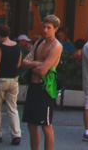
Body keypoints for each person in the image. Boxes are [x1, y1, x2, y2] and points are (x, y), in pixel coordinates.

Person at [20, 15, 63, 150]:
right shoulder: (39, 43)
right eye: (44, 27)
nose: (45, 30)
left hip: (44, 89)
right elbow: (24, 63)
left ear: (55, 29)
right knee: (31, 124)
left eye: (48, 28)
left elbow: (43, 71)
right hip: (33, 87)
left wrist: (35, 65)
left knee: (46, 125)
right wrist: (37, 63)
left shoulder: (56, 46)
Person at [0, 26, 21, 145]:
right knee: (12, 108)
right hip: (13, 80)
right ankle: (16, 134)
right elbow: (18, 64)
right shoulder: (17, 46)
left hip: (1, 80)